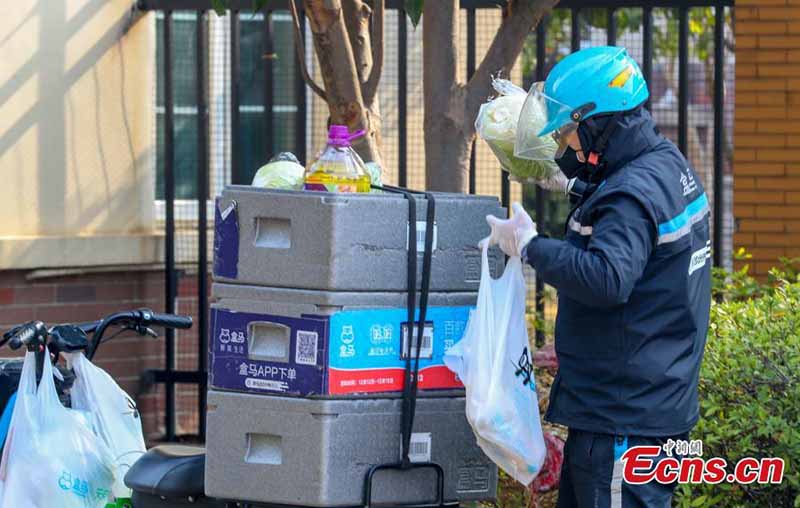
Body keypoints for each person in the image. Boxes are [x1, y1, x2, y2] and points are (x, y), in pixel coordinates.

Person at [482, 46, 711, 507]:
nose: (567, 145)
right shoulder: (666, 165)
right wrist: (573, 184)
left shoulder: (628, 195)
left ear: (597, 123)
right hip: (647, 403)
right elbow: (639, 250)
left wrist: (530, 246)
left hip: (622, 423)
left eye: (568, 133)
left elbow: (608, 278)